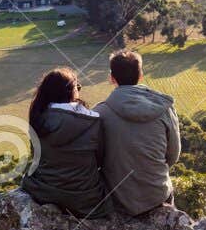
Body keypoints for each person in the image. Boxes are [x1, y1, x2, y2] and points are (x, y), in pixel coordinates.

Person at [17, 67, 112, 218]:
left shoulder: (38, 118)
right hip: (85, 198)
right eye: (77, 87)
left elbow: (36, 158)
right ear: (72, 91)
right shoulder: (93, 120)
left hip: (43, 192)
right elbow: (100, 159)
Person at [97, 49, 181, 217]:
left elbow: (96, 160)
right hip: (158, 197)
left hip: (117, 200)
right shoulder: (164, 109)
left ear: (112, 78)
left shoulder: (99, 113)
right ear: (141, 74)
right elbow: (173, 155)